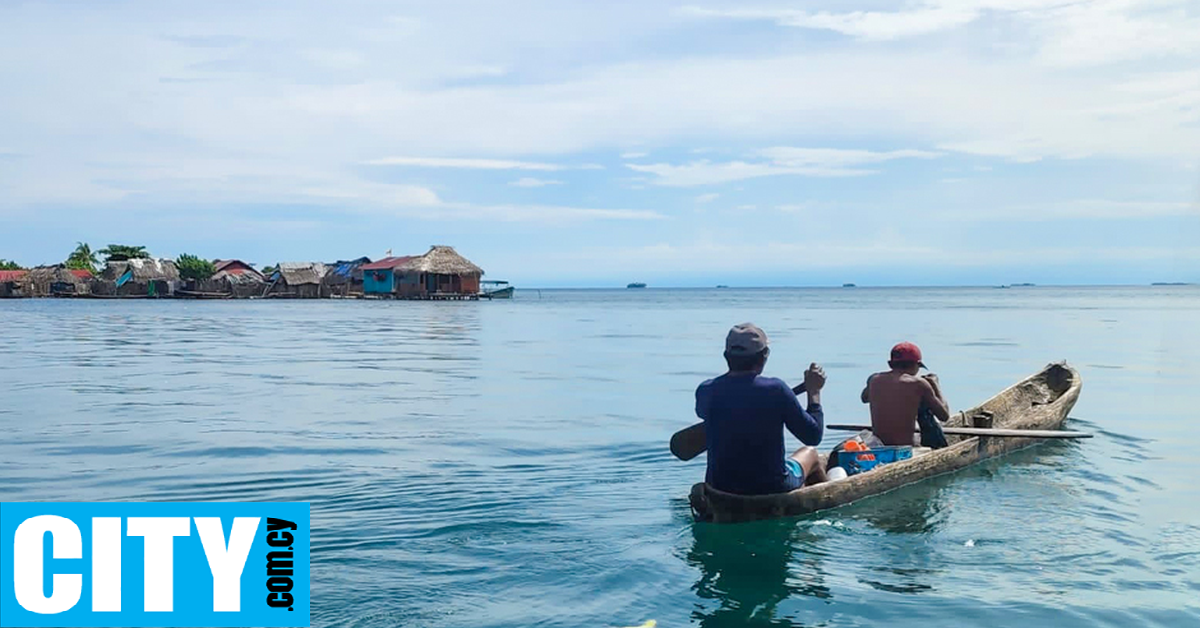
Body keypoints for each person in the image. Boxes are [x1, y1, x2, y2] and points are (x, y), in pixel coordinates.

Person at [695, 323, 828, 495]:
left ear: (726, 356)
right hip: (773, 486)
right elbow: (813, 436)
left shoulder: (706, 390)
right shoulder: (776, 389)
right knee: (810, 453)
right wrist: (814, 393)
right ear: (764, 355)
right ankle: (826, 503)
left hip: (719, 487)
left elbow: (703, 412)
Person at [860, 342, 950, 446]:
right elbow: (944, 416)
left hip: (881, 445)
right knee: (925, 410)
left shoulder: (874, 380)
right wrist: (935, 385)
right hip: (905, 447)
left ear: (890, 364)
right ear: (917, 365)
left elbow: (864, 398)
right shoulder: (919, 384)